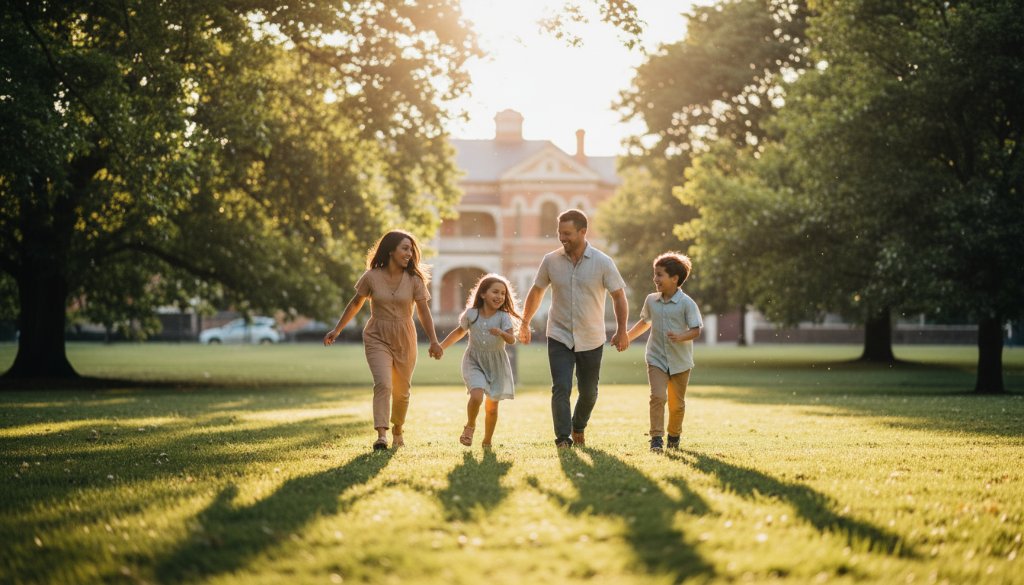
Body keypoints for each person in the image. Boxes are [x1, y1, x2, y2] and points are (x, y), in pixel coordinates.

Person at [519, 209, 629, 448]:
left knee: (589, 393)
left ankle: (578, 425)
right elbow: (537, 291)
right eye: (560, 233)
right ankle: (563, 437)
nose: (562, 238)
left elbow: (618, 296)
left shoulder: (602, 262)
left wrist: (622, 330)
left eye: (567, 233)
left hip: (591, 337)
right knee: (561, 387)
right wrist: (525, 322)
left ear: (583, 231)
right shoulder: (550, 260)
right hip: (558, 334)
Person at [324, 230, 444, 451]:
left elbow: (424, 312)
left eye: (411, 249)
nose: (409, 253)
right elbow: (355, 303)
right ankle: (382, 435)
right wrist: (337, 329)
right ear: (391, 250)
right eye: (404, 248)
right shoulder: (371, 277)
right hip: (377, 335)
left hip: (405, 336)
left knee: (402, 391)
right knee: (383, 384)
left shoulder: (414, 280)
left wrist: (434, 341)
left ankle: (398, 427)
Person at [625, 252, 703, 452]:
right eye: (655, 274)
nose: (655, 279)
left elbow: (696, 330)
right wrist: (627, 337)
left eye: (660, 275)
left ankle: (674, 436)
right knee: (658, 397)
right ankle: (656, 438)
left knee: (676, 405)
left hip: (680, 361)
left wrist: (681, 336)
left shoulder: (687, 303)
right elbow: (645, 322)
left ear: (674, 278)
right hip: (656, 357)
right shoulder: (651, 300)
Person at [439, 273, 522, 448]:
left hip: (496, 364)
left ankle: (487, 441)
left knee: (492, 408)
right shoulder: (472, 314)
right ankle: (470, 426)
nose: (499, 296)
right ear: (483, 294)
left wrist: (501, 333)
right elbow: (459, 332)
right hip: (474, 360)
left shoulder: (503, 317)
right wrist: (441, 346)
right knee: (476, 395)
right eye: (495, 292)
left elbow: (512, 339)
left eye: (503, 293)